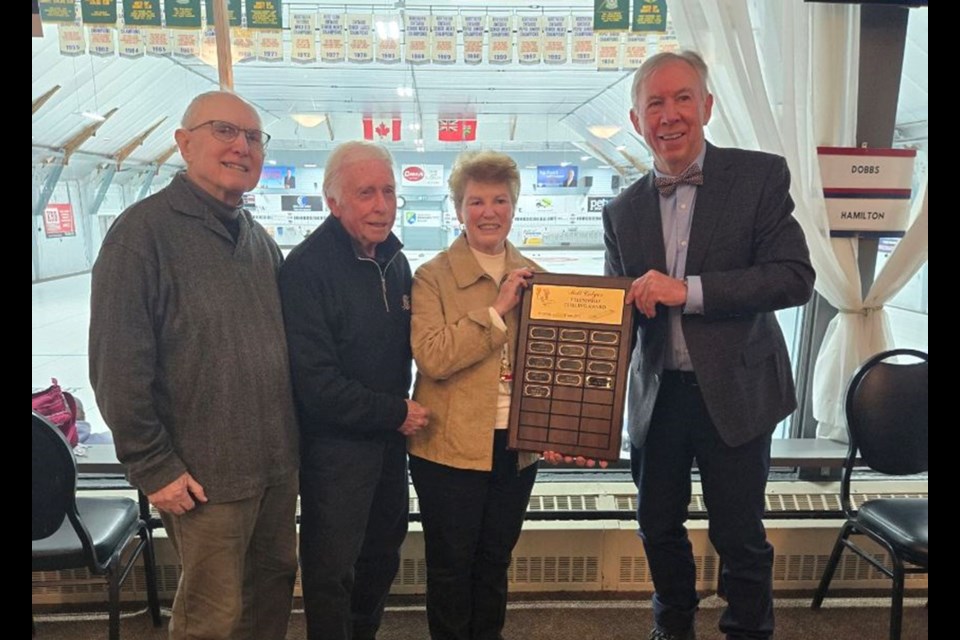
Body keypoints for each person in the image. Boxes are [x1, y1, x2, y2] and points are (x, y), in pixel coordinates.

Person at [602, 51, 815, 640]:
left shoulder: (759, 177)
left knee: (739, 533)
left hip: (738, 390)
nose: (669, 116)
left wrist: (687, 290)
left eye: (682, 99)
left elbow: (795, 277)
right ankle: (672, 625)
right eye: (654, 104)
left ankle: (749, 630)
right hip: (660, 395)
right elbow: (618, 317)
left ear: (708, 106)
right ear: (636, 118)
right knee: (657, 525)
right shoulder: (621, 211)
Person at [89, 90, 299, 640]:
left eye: (253, 137)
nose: (242, 147)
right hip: (203, 476)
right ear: (184, 143)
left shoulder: (257, 239)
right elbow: (116, 366)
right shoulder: (141, 236)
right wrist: (153, 466)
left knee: (269, 596)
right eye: (225, 131)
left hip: (275, 466)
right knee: (213, 616)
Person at [279, 140, 430, 640]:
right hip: (336, 451)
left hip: (388, 442)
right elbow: (317, 386)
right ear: (333, 202)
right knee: (331, 572)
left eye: (388, 191)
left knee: (383, 554)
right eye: (366, 193)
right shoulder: (306, 271)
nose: (381, 204)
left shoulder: (394, 260)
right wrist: (395, 413)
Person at [408, 150, 541, 640]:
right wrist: (497, 310)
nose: (489, 211)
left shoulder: (537, 274)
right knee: (450, 566)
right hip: (448, 449)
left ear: (514, 206)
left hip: (516, 445)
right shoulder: (432, 276)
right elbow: (434, 357)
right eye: (476, 200)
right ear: (458, 209)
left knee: (493, 562)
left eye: (500, 200)